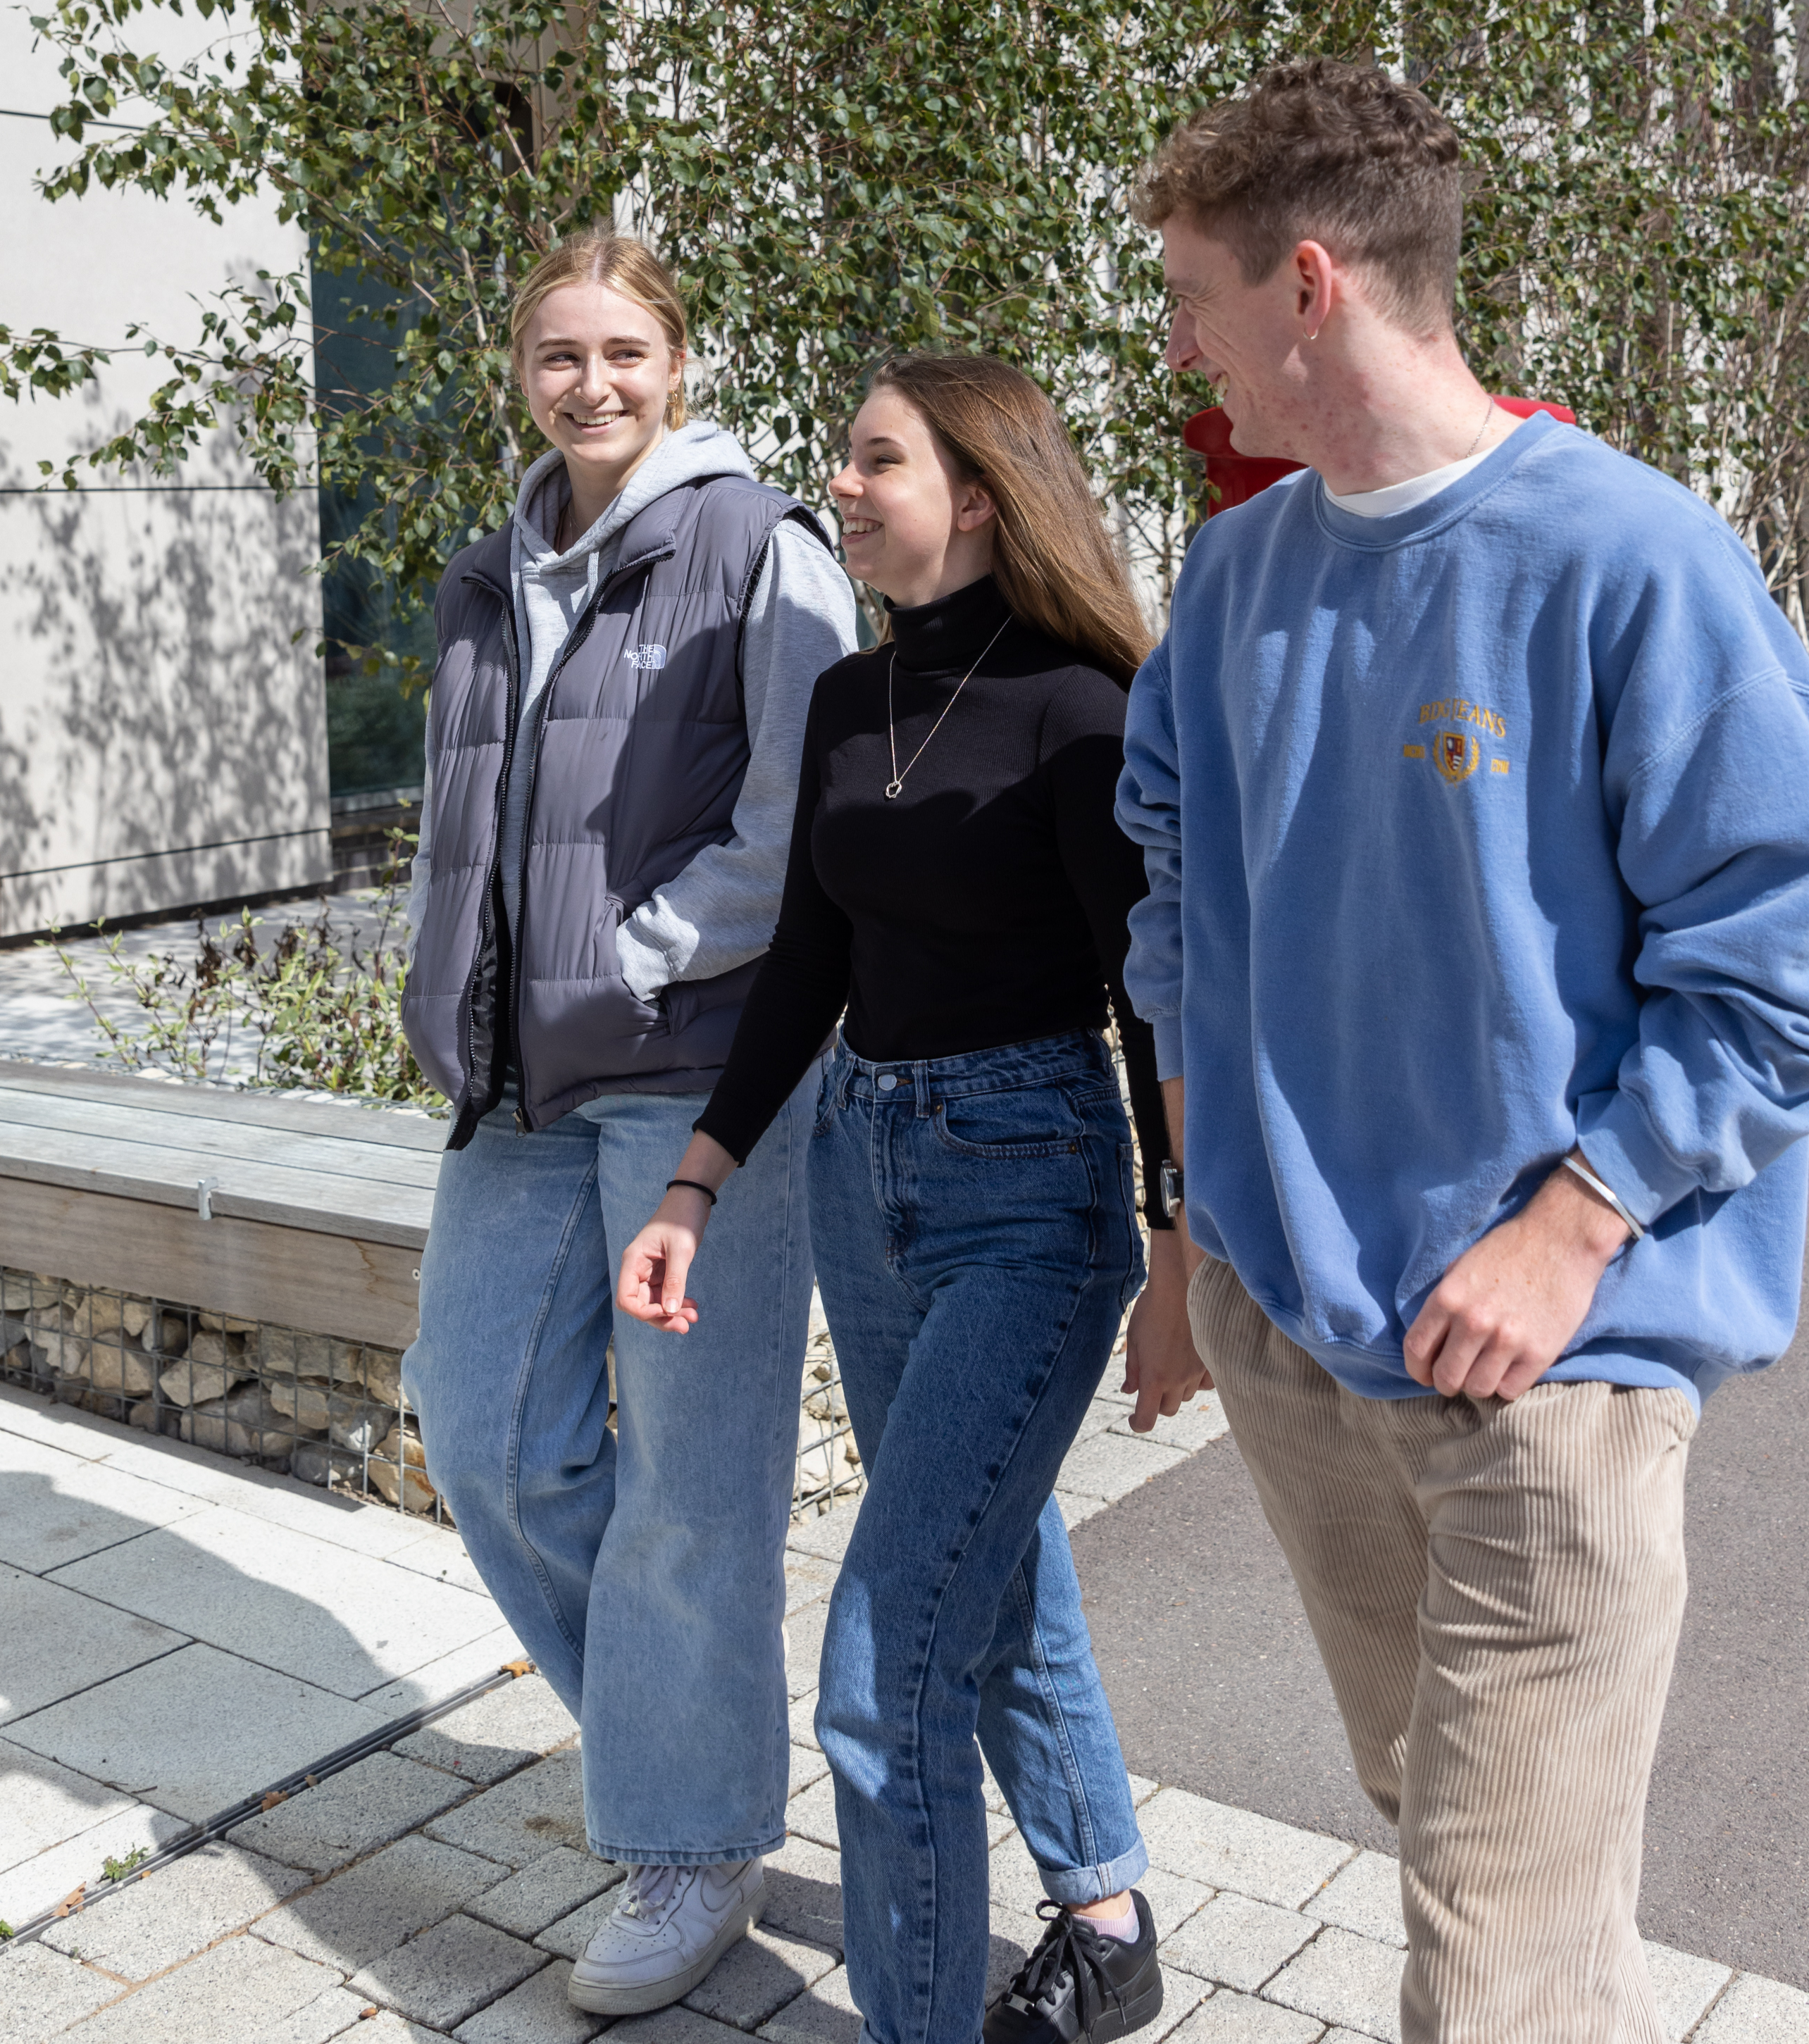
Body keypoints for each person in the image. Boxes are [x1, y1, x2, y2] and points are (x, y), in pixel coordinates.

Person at [1114, 59, 1809, 2044]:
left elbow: (1792, 955)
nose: (1178, 345)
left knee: (1491, 1973)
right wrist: (1193, 1237)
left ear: (1308, 286)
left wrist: (1573, 1223)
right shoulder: (1234, 578)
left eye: (1193, 297)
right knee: (1473, 1867)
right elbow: (1175, 917)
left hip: (1555, 1370)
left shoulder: (1629, 557)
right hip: (1301, 1351)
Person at [615, 355, 1187, 2044]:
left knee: (882, 1667)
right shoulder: (850, 701)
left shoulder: (1083, 710)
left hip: (1030, 1184)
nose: (842, 488)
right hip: (867, 1167)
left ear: (982, 492)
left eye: (875, 462)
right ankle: (1108, 1911)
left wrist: (1181, 1252)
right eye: (843, 459)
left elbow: (1152, 995)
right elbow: (808, 955)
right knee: (984, 1578)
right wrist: (696, 1180)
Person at [395, 229, 858, 2015]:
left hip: (697, 1078)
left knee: (694, 1485)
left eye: (622, 351)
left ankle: (685, 1837)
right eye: (555, 355)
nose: (589, 384)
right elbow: (471, 815)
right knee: (484, 1422)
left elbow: (796, 803)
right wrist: (449, 966)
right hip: (513, 1080)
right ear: (520, 373)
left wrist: (640, 951)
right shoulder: (488, 561)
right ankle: (695, 1772)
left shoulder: (757, 543)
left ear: (679, 359)